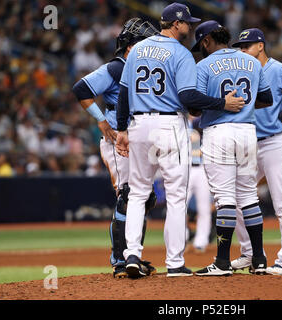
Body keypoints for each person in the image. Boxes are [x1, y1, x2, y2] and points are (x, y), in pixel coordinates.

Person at [115, 3, 245, 278]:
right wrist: (223, 102)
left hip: (138, 124)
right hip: (168, 124)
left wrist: (122, 129)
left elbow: (124, 93)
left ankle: (132, 254)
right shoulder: (182, 54)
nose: (190, 27)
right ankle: (174, 263)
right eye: (187, 23)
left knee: (137, 193)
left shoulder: (137, 49)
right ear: (176, 24)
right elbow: (188, 97)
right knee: (176, 196)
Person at [72, 18, 159, 278]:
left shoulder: (139, 67)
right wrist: (100, 119)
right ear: (130, 46)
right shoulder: (116, 66)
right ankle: (119, 261)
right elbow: (81, 89)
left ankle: (133, 255)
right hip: (117, 140)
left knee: (144, 198)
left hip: (138, 137)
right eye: (143, 44)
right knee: (128, 196)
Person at [190, 21, 273, 276]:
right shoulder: (251, 61)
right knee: (248, 196)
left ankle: (223, 262)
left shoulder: (204, 65)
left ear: (206, 41)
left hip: (219, 132)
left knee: (224, 198)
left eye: (200, 45)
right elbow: (267, 99)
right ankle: (259, 259)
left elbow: (194, 106)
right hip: (248, 131)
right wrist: (244, 106)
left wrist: (223, 105)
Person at [230, 28, 282, 277]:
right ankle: (251, 254)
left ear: (260, 46)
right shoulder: (245, 72)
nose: (242, 50)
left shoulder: (277, 69)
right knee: (233, 197)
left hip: (278, 141)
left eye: (246, 46)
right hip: (252, 144)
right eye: (240, 47)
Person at [186, 115, 213, 253]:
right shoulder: (178, 121)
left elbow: (199, 122)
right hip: (184, 168)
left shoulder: (200, 121)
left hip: (201, 167)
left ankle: (201, 242)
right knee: (178, 206)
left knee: (204, 207)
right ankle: (181, 239)